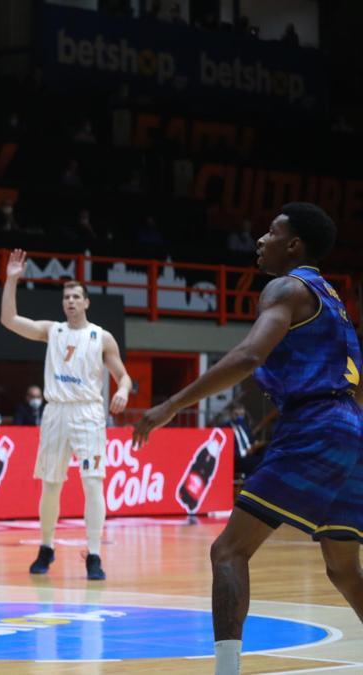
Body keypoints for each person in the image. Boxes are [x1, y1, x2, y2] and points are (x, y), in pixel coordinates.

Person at [134, 203, 363, 675]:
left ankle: (226, 670)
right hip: (350, 428)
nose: (260, 239)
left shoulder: (286, 287)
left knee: (228, 550)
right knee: (343, 568)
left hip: (314, 425)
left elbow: (248, 355)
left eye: (271, 232)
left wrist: (170, 405)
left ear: (294, 245)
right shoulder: (334, 299)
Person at [0, 250, 133, 580]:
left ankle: (94, 554)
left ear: (86, 302)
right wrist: (12, 279)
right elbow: (9, 320)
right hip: (56, 412)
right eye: (66, 297)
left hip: (88, 413)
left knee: (92, 483)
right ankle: (46, 547)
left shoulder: (101, 336)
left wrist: (122, 390)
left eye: (76, 297)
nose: (70, 301)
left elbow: (124, 375)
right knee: (51, 484)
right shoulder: (52, 330)